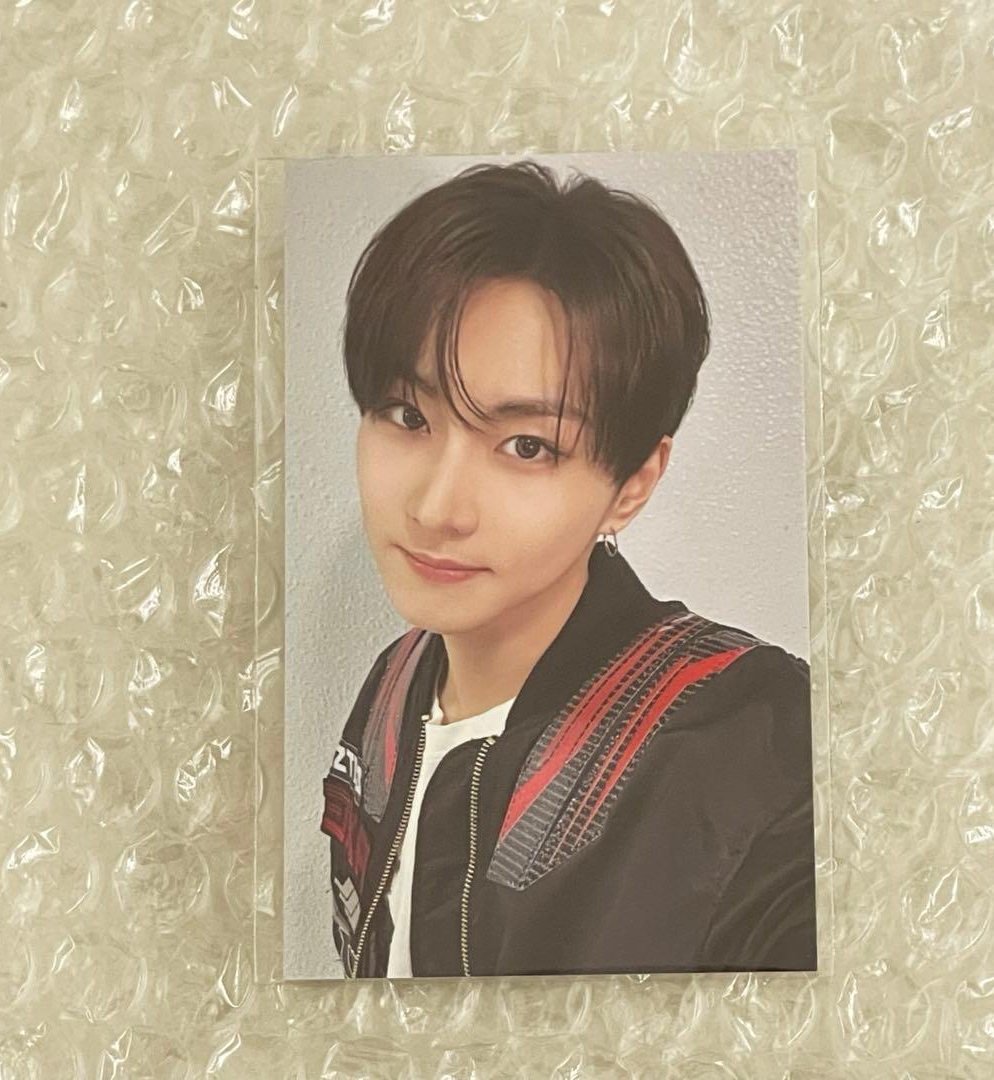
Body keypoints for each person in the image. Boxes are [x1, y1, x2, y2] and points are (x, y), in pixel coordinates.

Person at [319, 159, 816, 978]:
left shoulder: (756, 743)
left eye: (526, 446)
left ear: (633, 484)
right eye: (408, 415)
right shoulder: (394, 685)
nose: (438, 507)